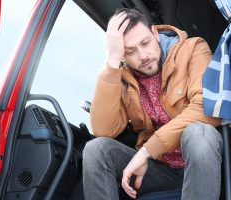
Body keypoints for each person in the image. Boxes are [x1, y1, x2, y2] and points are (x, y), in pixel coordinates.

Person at [83, 8, 223, 200]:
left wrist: (147, 152)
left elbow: (207, 109)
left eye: (145, 43)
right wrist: (112, 62)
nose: (143, 55)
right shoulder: (122, 77)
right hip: (160, 170)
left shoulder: (193, 49)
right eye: (130, 51)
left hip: (203, 165)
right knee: (96, 150)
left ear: (155, 33)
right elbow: (104, 130)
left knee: (199, 132)